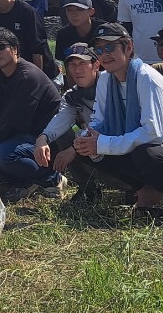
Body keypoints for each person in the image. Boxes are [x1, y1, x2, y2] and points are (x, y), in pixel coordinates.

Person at [75, 22, 163, 220]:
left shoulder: (146, 78)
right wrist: (87, 138)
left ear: (128, 47)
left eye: (110, 47)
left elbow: (152, 133)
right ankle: (147, 190)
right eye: (99, 49)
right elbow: (97, 120)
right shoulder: (104, 79)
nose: (105, 54)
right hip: (147, 147)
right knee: (86, 148)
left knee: (145, 153)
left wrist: (103, 143)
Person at [0, 27, 64, 199]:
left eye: (1, 47)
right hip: (19, 134)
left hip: (44, 138)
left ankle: (52, 178)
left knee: (0, 154)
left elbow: (12, 121)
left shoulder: (28, 76)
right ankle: (24, 180)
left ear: (15, 49)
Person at [33, 43, 111, 204]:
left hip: (118, 143)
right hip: (94, 145)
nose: (77, 70)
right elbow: (61, 120)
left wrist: (74, 149)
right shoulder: (72, 95)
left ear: (96, 65)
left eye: (82, 63)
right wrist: (43, 138)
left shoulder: (111, 84)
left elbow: (112, 126)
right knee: (64, 135)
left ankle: (134, 190)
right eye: (72, 64)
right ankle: (88, 189)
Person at [53, 0, 102, 65]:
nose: (74, 14)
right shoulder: (63, 34)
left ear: (91, 11)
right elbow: (64, 63)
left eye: (79, 9)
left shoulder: (103, 30)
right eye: (69, 10)